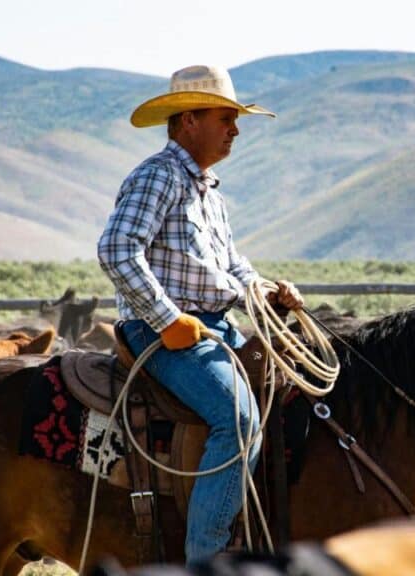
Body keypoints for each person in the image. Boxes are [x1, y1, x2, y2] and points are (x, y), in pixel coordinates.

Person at [97, 64, 305, 565]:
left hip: (212, 329)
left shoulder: (209, 191)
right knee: (236, 420)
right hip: (158, 333)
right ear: (189, 120)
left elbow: (233, 266)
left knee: (292, 394)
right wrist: (167, 319)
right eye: (225, 117)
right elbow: (116, 249)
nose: (235, 128)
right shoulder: (157, 176)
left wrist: (268, 291)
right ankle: (205, 563)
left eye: (236, 119)